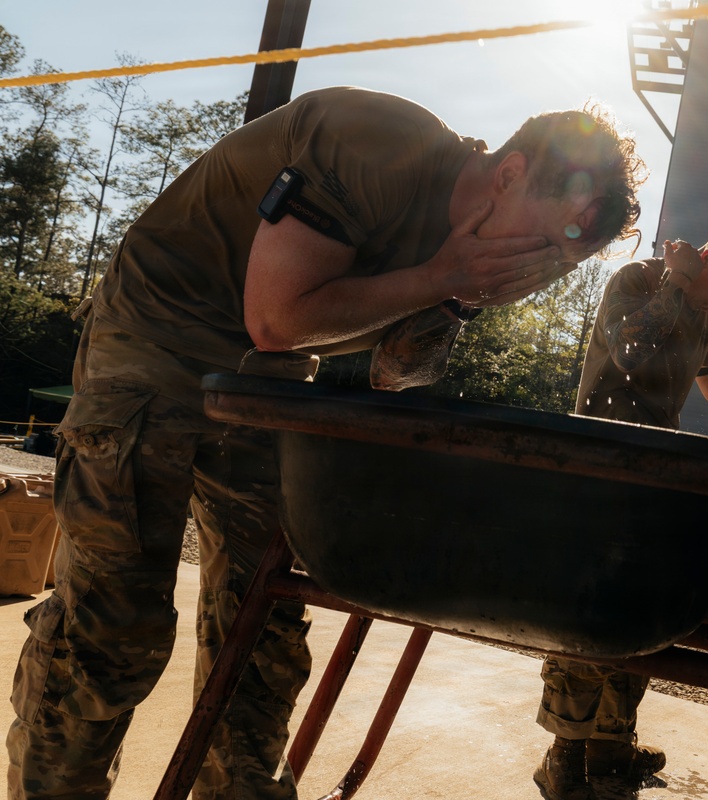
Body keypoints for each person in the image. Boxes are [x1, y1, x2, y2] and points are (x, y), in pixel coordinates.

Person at [6, 86, 645, 800]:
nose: (536, 271)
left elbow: (392, 372)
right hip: (157, 341)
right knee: (112, 624)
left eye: (560, 265)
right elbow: (276, 318)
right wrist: (443, 276)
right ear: (509, 174)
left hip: (266, 381)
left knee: (262, 628)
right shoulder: (376, 139)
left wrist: (459, 297)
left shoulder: (474, 249)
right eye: (543, 245)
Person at [533, 219, 708, 800]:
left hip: (654, 478)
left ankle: (611, 750)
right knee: (588, 610)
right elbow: (628, 352)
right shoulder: (641, 279)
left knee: (638, 610)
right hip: (599, 470)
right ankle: (565, 757)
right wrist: (675, 283)